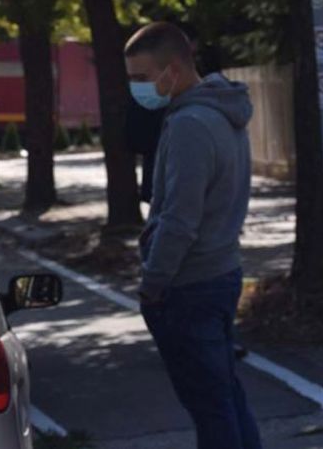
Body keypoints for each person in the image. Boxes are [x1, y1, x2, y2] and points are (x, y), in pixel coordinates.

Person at [124, 22, 261, 449]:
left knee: (211, 407)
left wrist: (153, 283)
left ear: (174, 70)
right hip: (222, 271)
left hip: (189, 283)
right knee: (225, 397)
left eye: (142, 77)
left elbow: (180, 219)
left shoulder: (190, 124)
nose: (136, 88)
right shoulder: (222, 111)